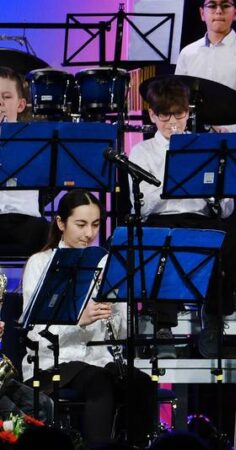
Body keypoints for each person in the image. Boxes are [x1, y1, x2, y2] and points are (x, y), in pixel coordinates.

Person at [128, 77, 236, 358]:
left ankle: (214, 316)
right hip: (162, 219)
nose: (172, 122)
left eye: (179, 114)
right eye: (164, 115)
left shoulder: (207, 148)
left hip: (202, 219)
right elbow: (141, 207)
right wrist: (174, 180)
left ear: (188, 112)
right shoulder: (142, 152)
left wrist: (215, 196)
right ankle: (163, 326)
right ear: (152, 115)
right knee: (159, 242)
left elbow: (227, 209)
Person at [21, 190, 157, 446]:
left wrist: (117, 307)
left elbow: (124, 333)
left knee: (140, 383)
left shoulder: (106, 262)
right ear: (61, 223)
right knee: (99, 382)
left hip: (100, 359)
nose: (89, 233)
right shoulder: (40, 263)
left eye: (95, 225)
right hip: (53, 361)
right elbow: (33, 332)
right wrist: (76, 319)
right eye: (81, 224)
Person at [175, 0, 236, 132]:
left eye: (225, 5)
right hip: (192, 135)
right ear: (202, 13)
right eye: (212, 5)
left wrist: (225, 130)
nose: (219, 11)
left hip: (230, 136)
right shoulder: (187, 53)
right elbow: (177, 99)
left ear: (235, 13)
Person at [0, 66, 49, 257]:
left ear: (20, 105)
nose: (0, 102)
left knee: (47, 231)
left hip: (26, 222)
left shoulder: (36, 141)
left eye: (6, 97)